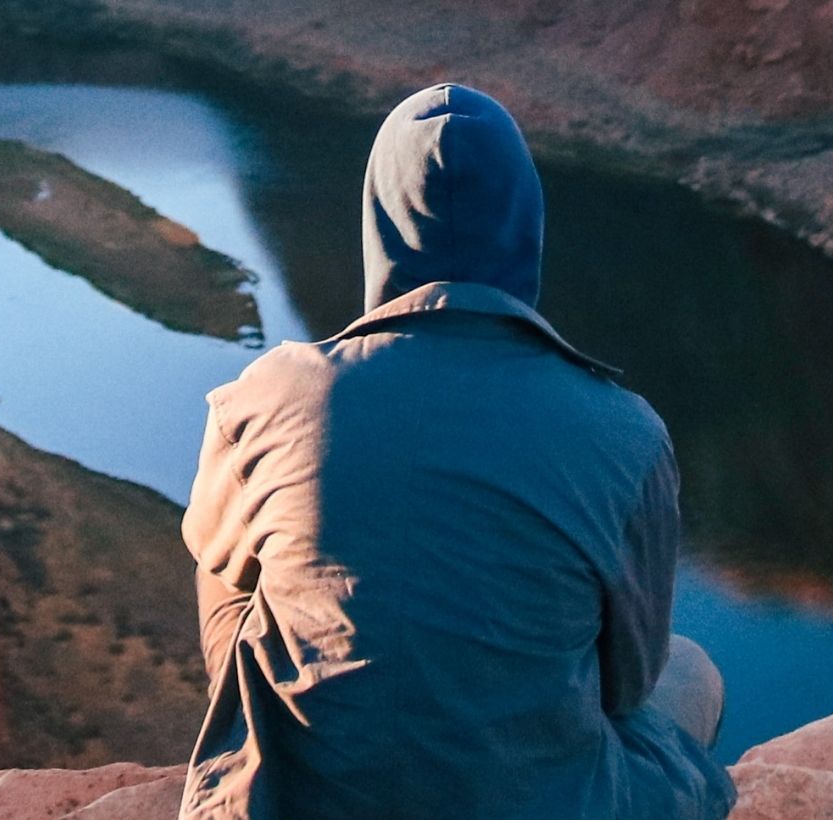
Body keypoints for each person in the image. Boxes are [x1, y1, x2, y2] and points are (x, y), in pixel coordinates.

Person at [179, 82, 736, 819]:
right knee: (689, 671)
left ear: (378, 218)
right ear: (525, 221)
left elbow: (226, 572)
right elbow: (628, 684)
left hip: (298, 802)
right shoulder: (624, 432)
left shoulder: (266, 393)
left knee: (224, 563)